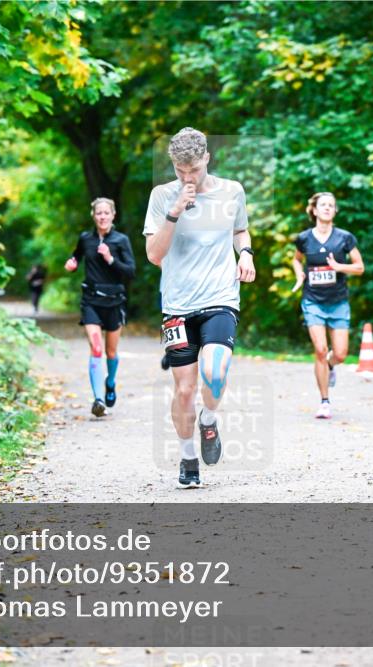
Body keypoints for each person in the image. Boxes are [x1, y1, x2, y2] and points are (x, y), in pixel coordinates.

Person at [144, 127, 256, 488]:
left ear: (207, 158)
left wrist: (247, 254)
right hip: (177, 302)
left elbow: (241, 231)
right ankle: (188, 457)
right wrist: (174, 213)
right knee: (185, 389)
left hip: (221, 296)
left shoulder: (232, 191)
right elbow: (154, 255)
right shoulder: (162, 196)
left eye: (193, 169)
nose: (187, 177)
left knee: (216, 371)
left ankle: (209, 419)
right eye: (180, 171)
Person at [291, 192, 364, 419]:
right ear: (314, 210)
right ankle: (324, 402)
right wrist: (299, 275)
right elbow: (296, 259)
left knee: (340, 354)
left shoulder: (344, 238)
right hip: (312, 301)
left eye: (331, 205)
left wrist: (339, 267)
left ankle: (331, 366)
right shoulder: (304, 238)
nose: (327, 208)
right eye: (323, 205)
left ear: (335, 211)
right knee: (321, 350)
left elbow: (360, 267)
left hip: (338, 302)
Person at [65, 198, 136, 417]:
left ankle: (110, 382)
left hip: (114, 301)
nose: (103, 217)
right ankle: (98, 399)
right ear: (93, 216)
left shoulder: (121, 240)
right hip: (91, 301)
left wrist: (110, 258)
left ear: (113, 215)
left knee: (110, 351)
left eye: (107, 213)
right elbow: (76, 255)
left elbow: (131, 272)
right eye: (99, 213)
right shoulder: (86, 239)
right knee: (96, 348)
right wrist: (72, 263)